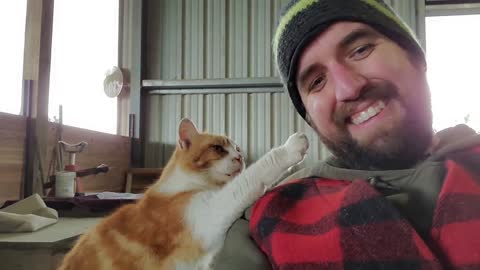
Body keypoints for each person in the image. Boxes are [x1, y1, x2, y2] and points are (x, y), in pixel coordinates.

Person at [214, 0, 480, 269]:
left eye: (361, 50)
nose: (348, 89)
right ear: (309, 117)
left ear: (415, 57)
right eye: (317, 81)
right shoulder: (264, 222)